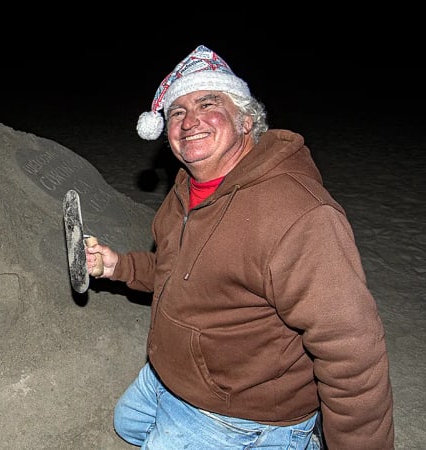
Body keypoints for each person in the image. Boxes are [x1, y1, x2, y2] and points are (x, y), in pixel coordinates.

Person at [85, 45, 394, 449]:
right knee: (127, 423)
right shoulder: (185, 190)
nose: (189, 121)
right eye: (176, 112)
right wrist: (119, 267)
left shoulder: (297, 214)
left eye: (208, 104)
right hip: (172, 378)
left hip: (242, 415)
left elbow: (353, 355)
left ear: (246, 120)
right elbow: (181, 270)